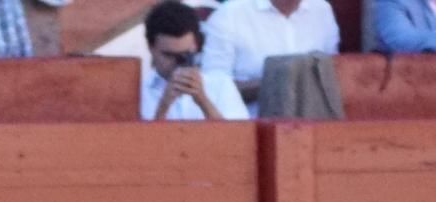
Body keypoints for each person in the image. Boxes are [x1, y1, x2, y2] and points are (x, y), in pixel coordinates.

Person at [201, 0, 338, 117]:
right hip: (250, 129)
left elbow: (334, 75)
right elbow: (213, 89)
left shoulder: (321, 10)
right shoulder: (229, 15)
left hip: (315, 127)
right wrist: (276, 84)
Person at [140, 1, 246, 120]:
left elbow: (236, 136)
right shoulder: (137, 93)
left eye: (185, 54)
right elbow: (138, 138)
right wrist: (164, 105)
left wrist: (202, 100)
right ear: (151, 48)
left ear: (195, 45)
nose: (177, 62)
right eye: (169, 55)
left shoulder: (220, 85)